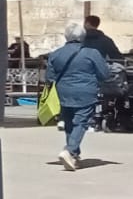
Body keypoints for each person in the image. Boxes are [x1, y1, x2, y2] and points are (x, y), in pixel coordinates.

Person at [46, 21, 112, 170]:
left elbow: (49, 78)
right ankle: (69, 151)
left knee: (69, 122)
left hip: (63, 92)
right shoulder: (92, 53)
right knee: (81, 122)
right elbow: (105, 74)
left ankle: (74, 155)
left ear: (66, 37)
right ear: (83, 37)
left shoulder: (55, 54)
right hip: (86, 91)